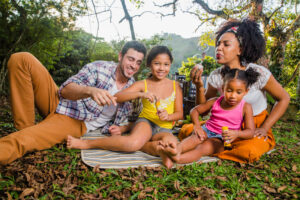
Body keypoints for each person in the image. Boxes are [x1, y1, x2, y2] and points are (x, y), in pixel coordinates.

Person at [0, 41, 147, 165]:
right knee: (22, 59)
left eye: (138, 62)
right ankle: (25, 127)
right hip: (60, 101)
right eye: (131, 59)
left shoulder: (135, 89)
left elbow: (135, 120)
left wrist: (122, 129)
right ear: (120, 56)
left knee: (22, 141)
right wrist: (91, 91)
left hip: (75, 120)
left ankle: (23, 137)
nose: (133, 65)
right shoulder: (100, 68)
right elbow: (65, 90)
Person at [189, 18, 290, 163]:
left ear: (240, 49)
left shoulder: (259, 73)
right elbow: (203, 110)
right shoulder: (216, 76)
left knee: (248, 152)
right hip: (222, 126)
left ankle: (213, 147)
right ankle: (215, 145)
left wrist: (265, 127)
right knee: (187, 131)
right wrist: (199, 87)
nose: (219, 48)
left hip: (252, 128)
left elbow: (284, 98)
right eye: (218, 44)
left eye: (226, 44)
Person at [67, 45, 184, 167]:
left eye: (166, 64)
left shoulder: (176, 86)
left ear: (170, 65)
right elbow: (118, 97)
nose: (161, 68)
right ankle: (87, 144)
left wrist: (168, 117)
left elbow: (180, 114)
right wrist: (141, 94)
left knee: (173, 145)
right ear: (149, 64)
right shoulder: (142, 84)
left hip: (165, 127)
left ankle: (151, 147)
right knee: (133, 143)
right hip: (146, 123)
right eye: (157, 63)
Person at [169, 67, 259, 166]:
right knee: (194, 139)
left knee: (202, 148)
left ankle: (177, 159)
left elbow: (250, 132)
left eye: (238, 92)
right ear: (223, 88)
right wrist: (197, 126)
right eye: (229, 91)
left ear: (246, 91)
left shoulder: (246, 107)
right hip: (207, 130)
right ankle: (174, 151)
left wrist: (236, 134)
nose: (233, 96)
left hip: (221, 139)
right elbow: (194, 111)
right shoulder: (215, 101)